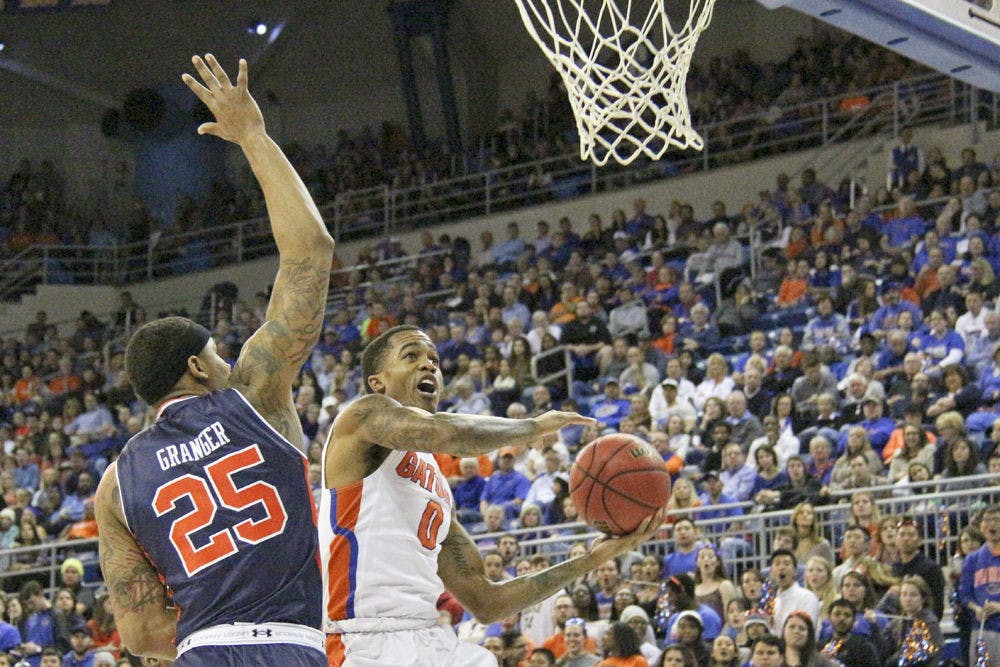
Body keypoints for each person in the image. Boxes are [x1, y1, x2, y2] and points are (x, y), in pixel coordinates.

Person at [94, 55, 334, 665]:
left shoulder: (115, 484)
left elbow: (142, 637)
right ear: (199, 368)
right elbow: (311, 252)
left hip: (202, 650)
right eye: (217, 354)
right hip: (290, 645)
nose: (228, 361)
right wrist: (252, 135)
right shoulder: (252, 394)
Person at [321, 324, 664, 666]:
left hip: (428, 635)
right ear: (377, 383)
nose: (429, 365)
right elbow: (441, 431)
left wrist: (592, 559)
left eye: (434, 360)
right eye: (411, 356)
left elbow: (487, 601)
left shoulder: (436, 486)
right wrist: (531, 428)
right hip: (361, 639)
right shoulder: (360, 417)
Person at [959, 503, 1000, 665]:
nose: (992, 524)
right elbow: (965, 594)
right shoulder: (972, 559)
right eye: (987, 520)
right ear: (981, 526)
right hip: (981, 630)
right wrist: (976, 609)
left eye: (996, 520)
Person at [883, 575, 942, 667]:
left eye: (913, 595)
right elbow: (883, 648)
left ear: (923, 598)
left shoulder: (929, 622)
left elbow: (928, 654)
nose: (908, 599)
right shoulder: (895, 623)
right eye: (904, 594)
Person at [819, 599, 879, 665]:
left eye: (847, 615)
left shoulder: (864, 648)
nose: (842, 618)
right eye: (837, 614)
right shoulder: (820, 647)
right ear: (829, 617)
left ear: (854, 620)